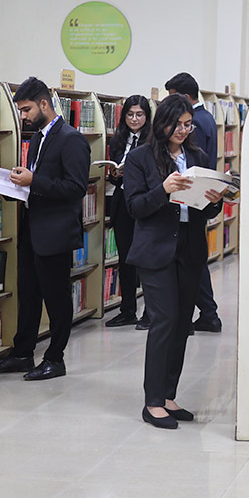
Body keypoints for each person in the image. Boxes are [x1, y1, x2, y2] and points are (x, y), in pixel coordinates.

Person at [123, 94, 225, 429]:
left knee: (182, 323)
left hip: (189, 248)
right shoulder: (140, 158)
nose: (183, 130)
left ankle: (168, 395)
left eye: (187, 124)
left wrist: (215, 200)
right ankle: (152, 402)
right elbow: (135, 207)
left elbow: (204, 211)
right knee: (164, 321)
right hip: (156, 249)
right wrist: (164, 189)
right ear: (162, 123)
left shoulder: (197, 156)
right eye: (177, 124)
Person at [0, 77, 91, 381]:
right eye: (21, 110)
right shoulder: (37, 139)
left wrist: (34, 181)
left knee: (57, 299)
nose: (23, 116)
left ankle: (55, 359)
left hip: (55, 233)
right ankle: (22, 353)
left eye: (27, 109)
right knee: (28, 295)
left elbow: (76, 187)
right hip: (32, 229)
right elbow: (37, 184)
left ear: (44, 104)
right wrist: (14, 185)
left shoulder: (71, 139)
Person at [163, 72, 222, 334]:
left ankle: (207, 314)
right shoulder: (208, 117)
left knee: (194, 268)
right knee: (195, 267)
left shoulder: (197, 124)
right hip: (194, 203)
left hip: (191, 203)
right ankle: (205, 314)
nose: (182, 129)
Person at [103, 95, 152, 328]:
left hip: (144, 202)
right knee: (126, 258)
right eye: (130, 114)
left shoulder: (153, 141)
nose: (134, 119)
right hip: (123, 201)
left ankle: (150, 313)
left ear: (147, 116)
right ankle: (127, 310)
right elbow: (114, 175)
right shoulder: (118, 140)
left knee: (146, 258)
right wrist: (115, 174)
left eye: (139, 114)